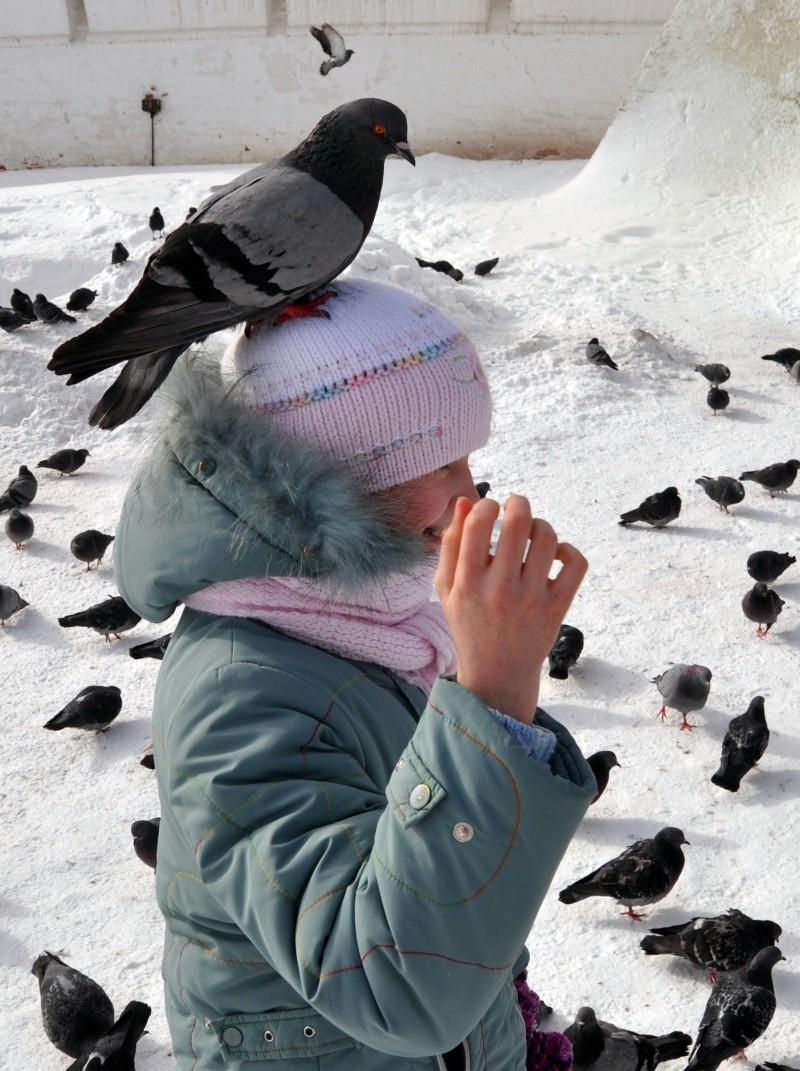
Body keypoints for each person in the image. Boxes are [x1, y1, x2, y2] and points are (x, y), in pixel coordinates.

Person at [115, 278, 595, 1071]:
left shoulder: (380, 617)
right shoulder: (237, 694)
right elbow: (394, 987)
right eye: (433, 461)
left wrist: (503, 1011)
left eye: (469, 455)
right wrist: (492, 693)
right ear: (324, 487)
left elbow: (423, 858)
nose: (467, 491)